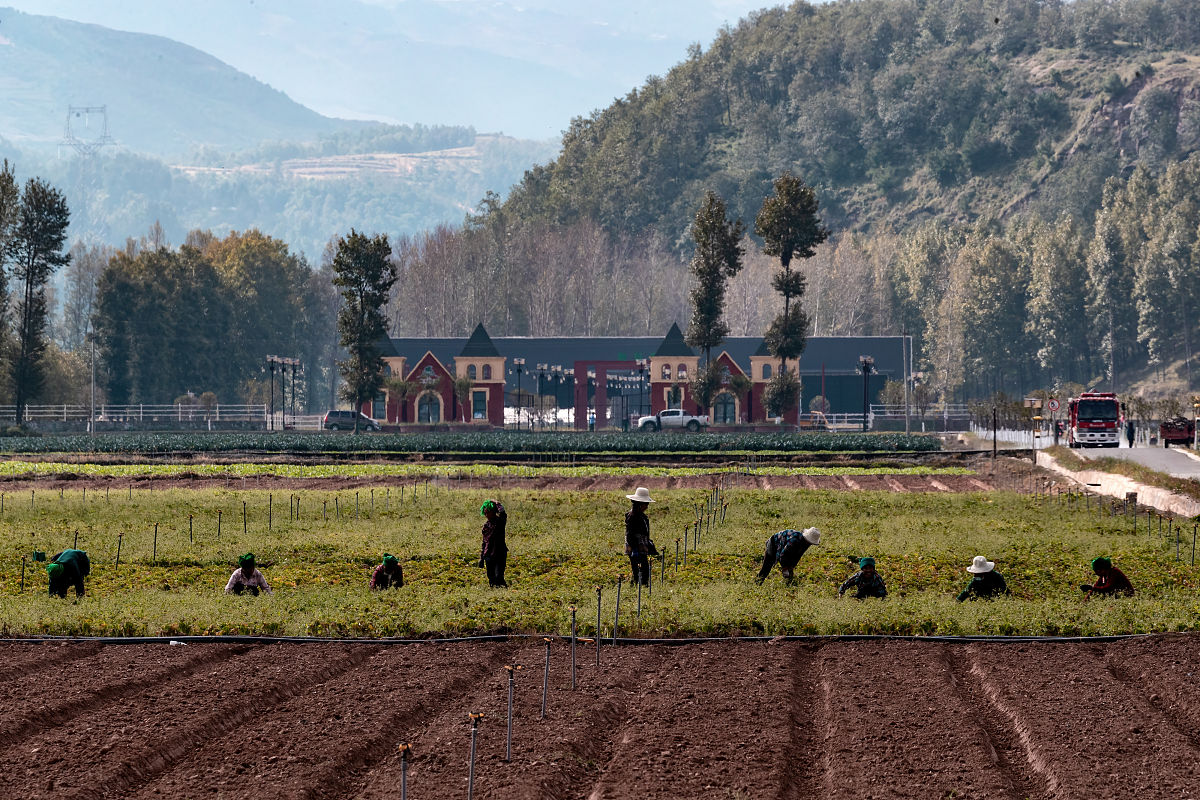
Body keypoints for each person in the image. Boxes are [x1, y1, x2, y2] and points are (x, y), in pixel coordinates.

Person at [755, 527, 821, 584]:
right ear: (806, 539)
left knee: (790, 572)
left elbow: (798, 556)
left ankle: (788, 586)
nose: (810, 544)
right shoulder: (794, 540)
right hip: (774, 544)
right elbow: (783, 555)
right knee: (767, 567)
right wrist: (785, 568)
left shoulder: (806, 544)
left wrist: (791, 567)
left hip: (785, 548)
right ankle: (757, 583)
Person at [624, 487, 659, 586]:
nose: (647, 507)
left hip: (641, 548)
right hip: (636, 549)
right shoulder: (632, 517)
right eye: (646, 504)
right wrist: (635, 549)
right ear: (639, 504)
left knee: (643, 571)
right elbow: (630, 535)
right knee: (640, 572)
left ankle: (638, 587)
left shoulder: (641, 516)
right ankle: (638, 588)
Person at [479, 499, 508, 588]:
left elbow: (503, 513)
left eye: (488, 512)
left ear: (494, 511)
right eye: (485, 513)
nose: (486, 515)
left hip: (500, 553)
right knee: (491, 577)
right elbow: (484, 542)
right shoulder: (486, 526)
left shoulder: (500, 522)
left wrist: (497, 503)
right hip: (488, 555)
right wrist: (481, 558)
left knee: (499, 576)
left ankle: (503, 592)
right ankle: (495, 593)